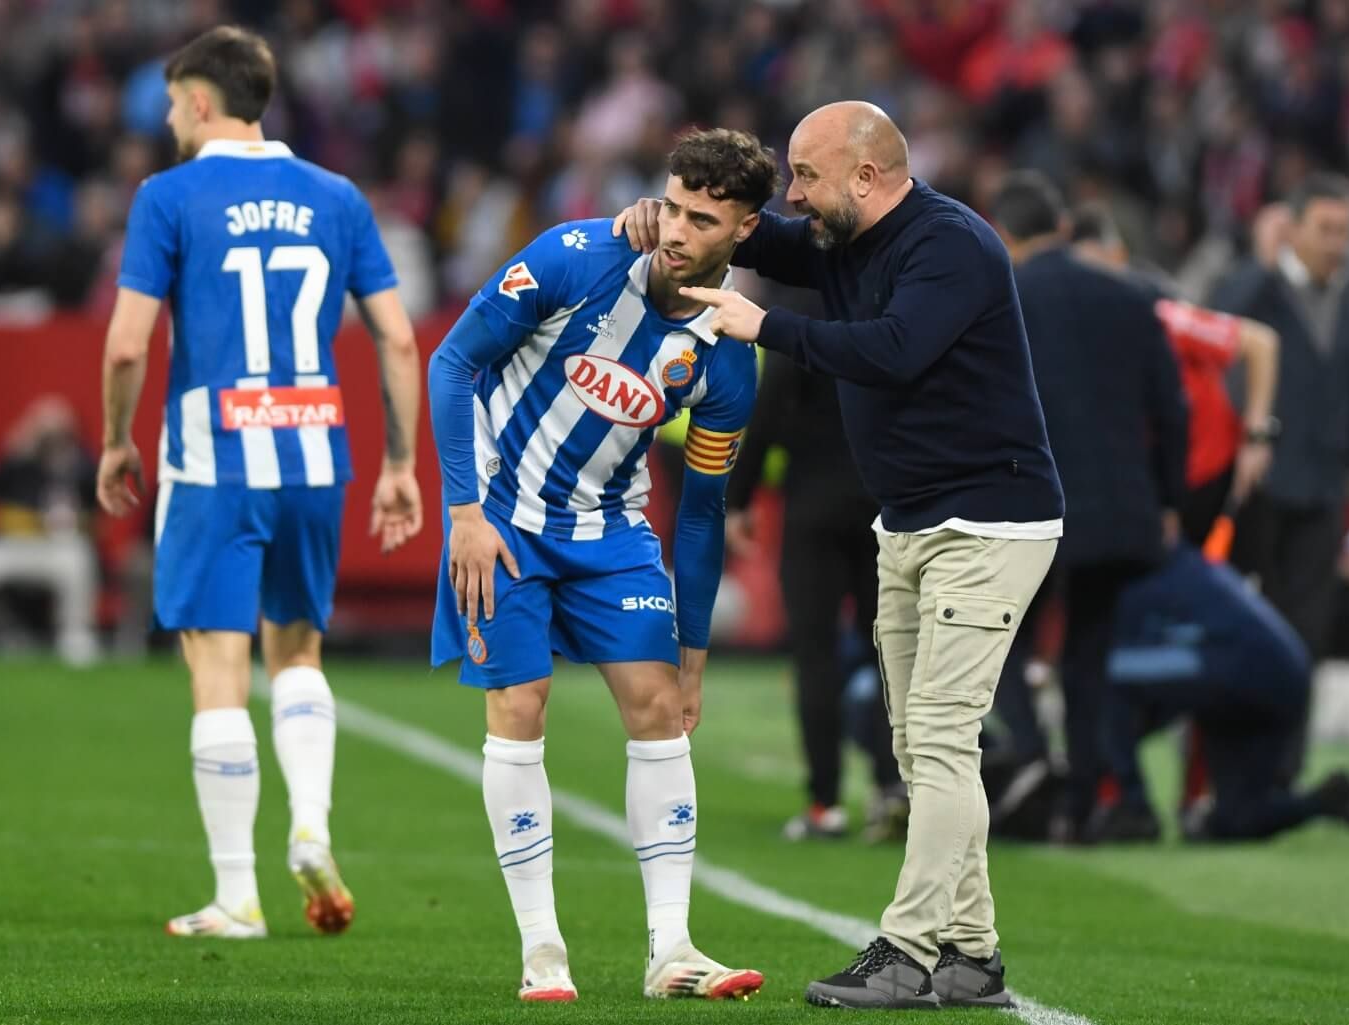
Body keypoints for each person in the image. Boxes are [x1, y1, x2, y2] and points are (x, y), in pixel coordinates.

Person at [616, 101, 1062, 1011]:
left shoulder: (951, 245)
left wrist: (761, 326)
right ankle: (971, 955)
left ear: (866, 176)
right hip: (911, 520)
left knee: (937, 740)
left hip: (988, 520)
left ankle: (906, 947)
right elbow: (771, 241)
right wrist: (671, 219)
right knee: (918, 742)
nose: (795, 196)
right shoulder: (850, 234)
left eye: (807, 177)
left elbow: (894, 352)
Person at [426, 128, 772, 1004]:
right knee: (521, 701)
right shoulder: (576, 255)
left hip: (611, 533)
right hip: (501, 517)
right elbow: (454, 360)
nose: (678, 231)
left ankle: (674, 951)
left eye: (704, 219)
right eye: (675, 205)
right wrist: (463, 512)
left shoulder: (729, 356)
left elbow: (701, 508)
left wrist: (694, 645)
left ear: (743, 231)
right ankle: (543, 949)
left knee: (661, 708)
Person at [96, 27, 424, 940]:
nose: (166, 119)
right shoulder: (337, 195)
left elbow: (126, 342)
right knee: (300, 654)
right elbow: (398, 337)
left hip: (215, 457)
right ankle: (312, 822)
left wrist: (118, 442)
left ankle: (237, 892)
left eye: (170, 104)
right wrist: (400, 463)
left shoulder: (168, 195)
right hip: (316, 454)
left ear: (201, 102)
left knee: (217, 664)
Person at [988, 171, 1188, 847]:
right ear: (1066, 229)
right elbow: (1173, 409)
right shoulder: (1132, 298)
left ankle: (1034, 758)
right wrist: (1167, 498)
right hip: (1118, 511)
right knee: (1088, 659)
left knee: (1001, 641)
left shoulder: (1002, 295)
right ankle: (1081, 805)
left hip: (1030, 504)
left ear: (1002, 236)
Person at [1210, 174, 1349, 664]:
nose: (1338, 243)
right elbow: (1219, 326)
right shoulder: (1256, 287)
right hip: (1261, 482)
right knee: (1250, 620)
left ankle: (1290, 742)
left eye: (1345, 230)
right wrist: (1262, 261)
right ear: (1293, 230)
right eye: (1326, 228)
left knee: (1309, 629)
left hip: (1324, 485)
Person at [724, 352, 906, 842]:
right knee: (893, 656)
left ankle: (824, 802)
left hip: (813, 505)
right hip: (888, 505)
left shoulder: (803, 317)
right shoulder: (892, 310)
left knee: (816, 657)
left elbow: (766, 416)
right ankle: (894, 787)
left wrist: (739, 498)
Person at [1096, 548, 1349, 847]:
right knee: (1237, 820)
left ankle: (1133, 806)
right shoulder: (1185, 565)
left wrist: (1106, 749)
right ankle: (1328, 800)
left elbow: (1145, 675)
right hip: (1279, 675)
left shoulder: (1144, 584)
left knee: (1115, 680)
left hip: (1249, 675)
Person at [1069, 202, 1282, 545]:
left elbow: (1261, 343)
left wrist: (1256, 438)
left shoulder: (1164, 318)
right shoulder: (1074, 335)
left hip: (1210, 482)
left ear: (1118, 259)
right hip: (1152, 488)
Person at [0, 396, 100, 665]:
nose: (50, 436)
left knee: (79, 562)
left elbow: (97, 497)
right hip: (10, 543)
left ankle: (75, 637)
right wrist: (16, 448)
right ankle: (7, 632)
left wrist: (70, 457)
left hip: (58, 547)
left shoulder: (79, 461)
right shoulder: (20, 459)